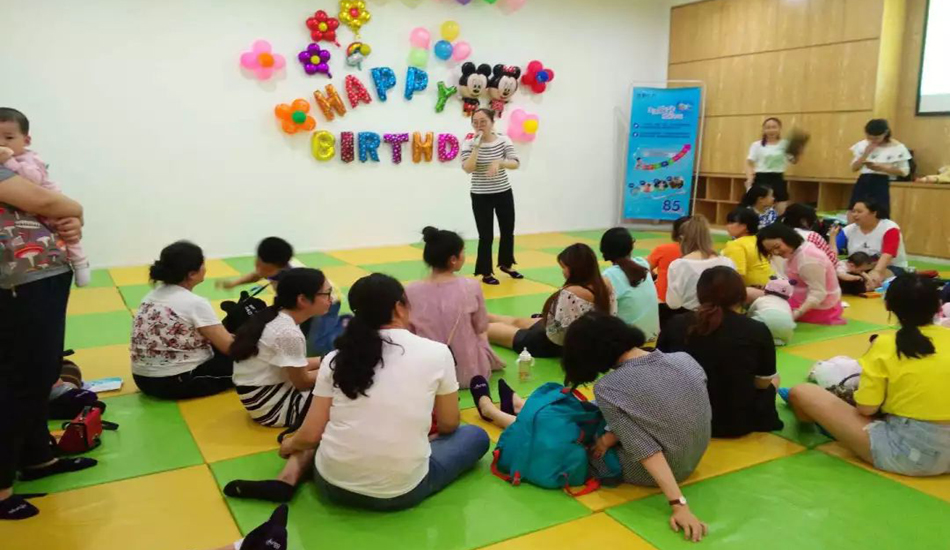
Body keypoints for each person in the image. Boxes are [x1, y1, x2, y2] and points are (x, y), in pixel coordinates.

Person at [223, 274, 490, 510]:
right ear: (399, 307)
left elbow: (311, 433)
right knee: (475, 435)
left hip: (332, 485)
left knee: (336, 425)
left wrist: (290, 445)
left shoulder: (337, 358)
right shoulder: (437, 352)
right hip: (401, 491)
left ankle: (290, 477)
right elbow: (449, 424)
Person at [786, 274, 950, 477]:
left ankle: (821, 431)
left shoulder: (885, 345)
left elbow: (866, 408)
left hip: (908, 455)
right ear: (939, 305)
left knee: (802, 392)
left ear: (887, 306)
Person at [0, 165, 93, 520]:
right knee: (21, 378)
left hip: (37, 276)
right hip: (16, 284)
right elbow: (46, 201)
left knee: (42, 372)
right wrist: (75, 210)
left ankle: (38, 456)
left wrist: (69, 221)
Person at [570, 313, 710, 542]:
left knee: (574, 439)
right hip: (693, 456)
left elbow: (644, 448)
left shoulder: (608, 387)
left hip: (667, 468)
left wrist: (679, 504)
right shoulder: (684, 359)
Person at [658, 267, 783, 438]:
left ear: (700, 293)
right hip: (736, 421)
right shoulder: (756, 329)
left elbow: (659, 369)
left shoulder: (676, 323)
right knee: (774, 378)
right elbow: (762, 383)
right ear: (741, 295)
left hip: (685, 417)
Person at [131, 241, 235, 399]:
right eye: (203, 264)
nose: (205, 268)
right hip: (176, 382)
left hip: (142, 380)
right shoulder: (195, 303)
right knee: (253, 364)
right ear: (192, 274)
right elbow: (231, 348)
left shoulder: (150, 296)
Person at [0, 108, 91, 287]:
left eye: (9, 137)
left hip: (40, 266)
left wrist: (75, 213)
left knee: (68, 231)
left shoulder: (29, 159)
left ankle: (80, 263)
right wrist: (76, 211)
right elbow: (44, 202)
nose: (1, 143)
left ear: (26, 140)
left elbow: (42, 193)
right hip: (25, 271)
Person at [231, 269, 331, 428]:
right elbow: (302, 381)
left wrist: (327, 360)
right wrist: (337, 368)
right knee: (350, 391)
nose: (331, 299)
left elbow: (294, 365)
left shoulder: (275, 315)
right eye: (327, 293)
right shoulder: (288, 332)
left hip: (260, 397)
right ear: (302, 299)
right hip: (274, 407)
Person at [406, 227, 502, 388]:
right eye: (463, 251)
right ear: (453, 259)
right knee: (481, 336)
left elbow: (408, 332)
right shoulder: (471, 286)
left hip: (426, 374)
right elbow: (481, 326)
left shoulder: (410, 290)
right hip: (469, 374)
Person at [217, 237, 345, 355]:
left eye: (266, 269)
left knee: (317, 345)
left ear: (281, 267)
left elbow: (296, 305)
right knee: (303, 336)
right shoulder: (273, 264)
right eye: (258, 264)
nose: (260, 270)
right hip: (305, 302)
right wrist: (233, 284)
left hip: (327, 300)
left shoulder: (292, 277)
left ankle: (343, 327)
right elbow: (257, 275)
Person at [487, 243, 615, 358]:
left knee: (488, 330)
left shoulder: (572, 292)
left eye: (564, 268)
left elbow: (559, 336)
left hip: (549, 343)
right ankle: (482, 316)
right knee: (515, 321)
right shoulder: (605, 283)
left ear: (575, 268)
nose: (563, 272)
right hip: (562, 333)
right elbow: (612, 315)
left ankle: (476, 320)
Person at [461, 108, 521, 285]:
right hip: (481, 195)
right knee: (485, 235)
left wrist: (500, 162)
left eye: (483, 122)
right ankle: (485, 271)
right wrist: (476, 147)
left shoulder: (503, 140)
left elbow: (515, 162)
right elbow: (468, 168)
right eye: (475, 122)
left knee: (507, 231)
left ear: (492, 123)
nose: (479, 126)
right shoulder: (468, 144)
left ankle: (506, 264)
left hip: (503, 192)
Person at [757, 224, 845, 325]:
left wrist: (797, 313)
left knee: (761, 303)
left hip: (820, 308)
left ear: (787, 238)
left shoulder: (808, 258)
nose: (775, 252)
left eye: (777, 247)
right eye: (770, 251)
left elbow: (818, 293)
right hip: (804, 300)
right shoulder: (795, 252)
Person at [830, 200, 908, 289]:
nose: (855, 215)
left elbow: (888, 254)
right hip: (857, 268)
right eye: (853, 211)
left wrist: (876, 271)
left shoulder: (890, 228)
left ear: (874, 213)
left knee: (873, 279)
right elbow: (832, 253)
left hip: (889, 267)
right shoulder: (848, 230)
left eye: (859, 212)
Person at [666, 215, 736, 312]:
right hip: (725, 315)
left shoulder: (679, 265)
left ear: (681, 239)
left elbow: (673, 304)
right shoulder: (727, 262)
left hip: (691, 315)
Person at [600, 227, 660, 341]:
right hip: (652, 334)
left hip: (628, 339)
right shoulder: (643, 263)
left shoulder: (609, 276)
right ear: (631, 246)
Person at [848, 119, 911, 211]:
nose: (873, 141)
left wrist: (881, 168)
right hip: (863, 181)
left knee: (878, 212)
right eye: (869, 138)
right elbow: (854, 168)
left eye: (877, 138)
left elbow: (905, 172)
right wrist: (865, 154)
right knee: (855, 210)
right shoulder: (863, 144)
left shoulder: (898, 147)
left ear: (885, 133)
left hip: (881, 182)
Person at [744, 117, 797, 214]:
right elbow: (749, 163)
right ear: (764, 130)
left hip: (778, 178)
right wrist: (749, 178)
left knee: (781, 208)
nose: (771, 130)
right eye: (768, 127)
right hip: (761, 178)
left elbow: (793, 160)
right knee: (758, 210)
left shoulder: (785, 144)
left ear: (779, 128)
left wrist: (796, 150)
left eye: (774, 127)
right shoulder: (756, 145)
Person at [648, 216, 690, 324]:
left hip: (663, 300)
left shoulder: (663, 249)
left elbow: (644, 269)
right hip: (692, 302)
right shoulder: (706, 253)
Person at [722, 207, 773, 287]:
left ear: (744, 226)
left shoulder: (736, 244)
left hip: (754, 288)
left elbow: (737, 274)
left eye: (732, 222)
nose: (727, 226)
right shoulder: (758, 240)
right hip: (771, 284)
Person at [747, 278, 797, 346]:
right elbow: (790, 317)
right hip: (786, 328)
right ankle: (779, 341)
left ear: (766, 290)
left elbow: (750, 312)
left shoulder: (761, 299)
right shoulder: (786, 304)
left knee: (753, 324)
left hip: (765, 324)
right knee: (785, 330)